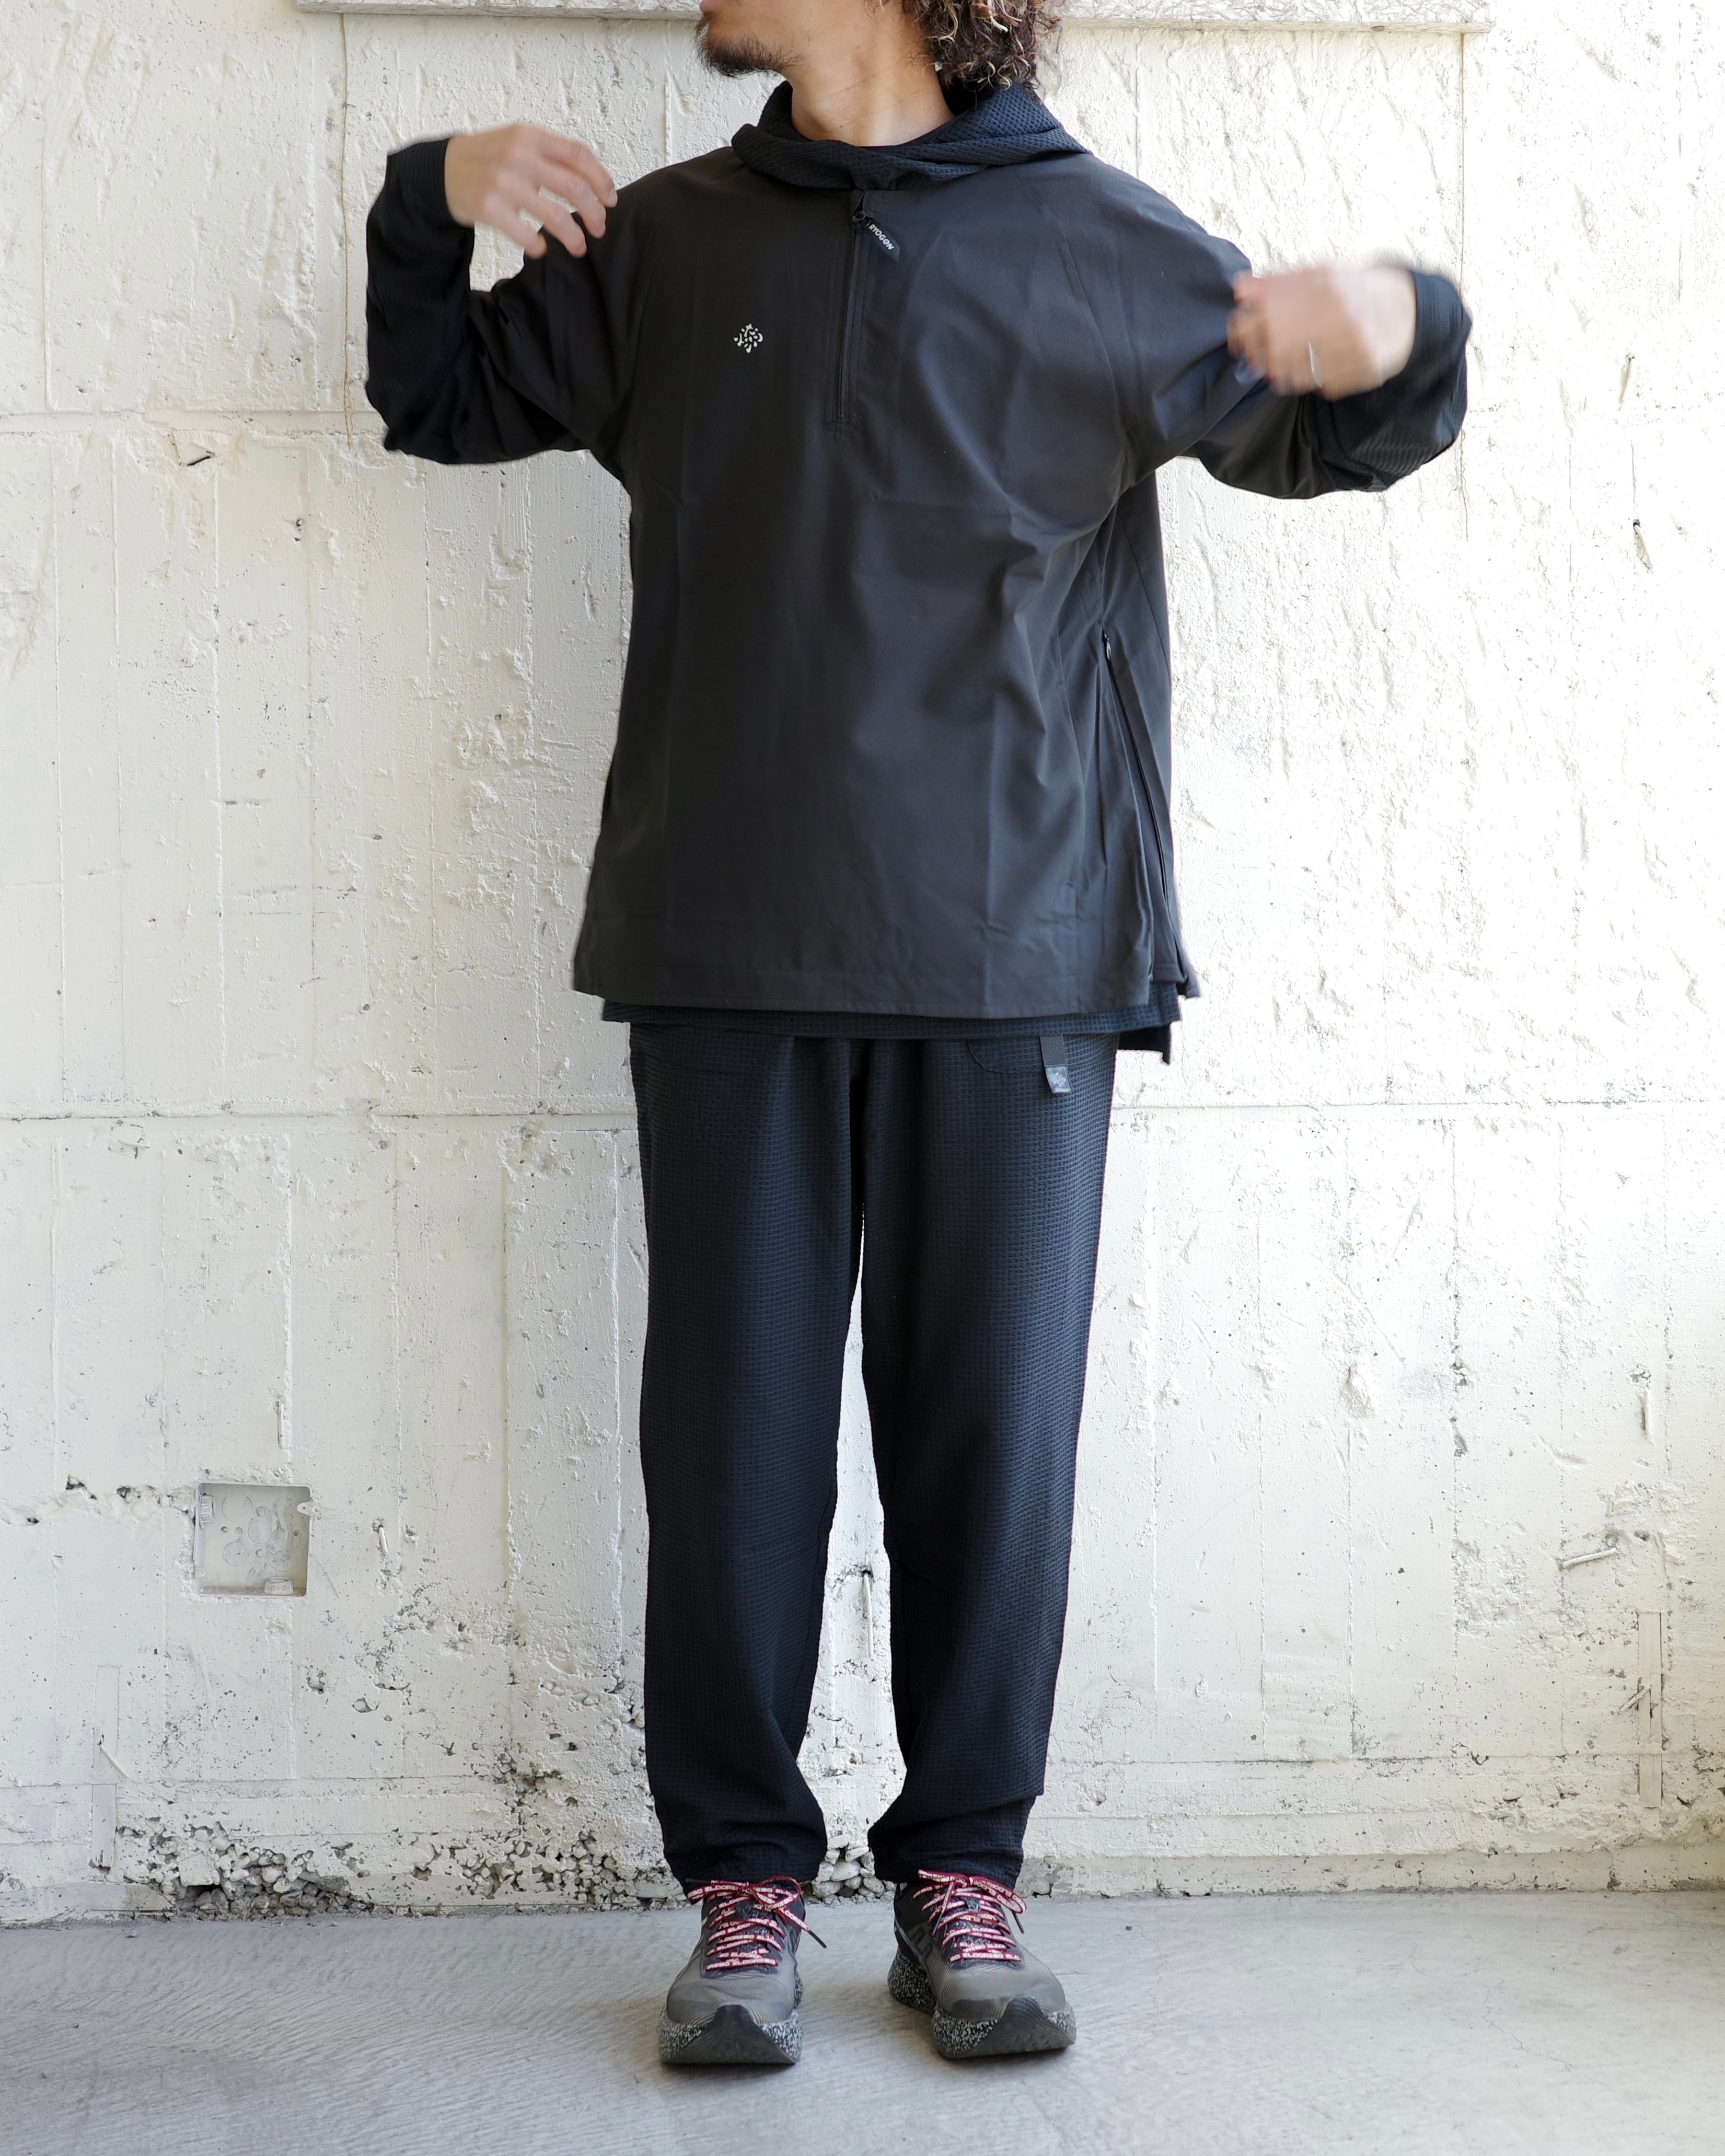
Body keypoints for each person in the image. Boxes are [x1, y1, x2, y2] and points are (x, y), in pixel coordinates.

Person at [364, 0, 1469, 2069]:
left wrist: (1410, 314)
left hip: (1023, 955)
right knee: (732, 1457)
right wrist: (431, 193)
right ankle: (744, 1893)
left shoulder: (1102, 241)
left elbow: (1340, 434)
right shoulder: (668, 245)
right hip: (729, 947)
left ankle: (964, 1871)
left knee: (990, 1451)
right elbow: (432, 396)